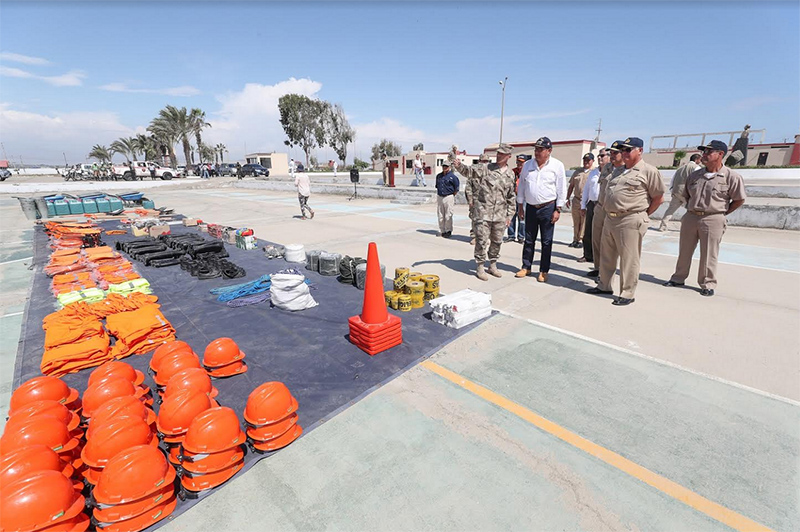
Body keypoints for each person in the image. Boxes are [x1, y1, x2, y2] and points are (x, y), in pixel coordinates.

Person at [587, 137, 665, 306]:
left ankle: (627, 293)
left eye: (629, 150)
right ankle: (604, 286)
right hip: (610, 218)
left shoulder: (648, 171)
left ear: (640, 151)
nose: (624, 153)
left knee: (629, 259)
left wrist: (642, 215)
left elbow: (658, 198)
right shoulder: (617, 170)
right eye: (623, 150)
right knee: (607, 256)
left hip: (630, 219)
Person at [664, 140, 746, 297]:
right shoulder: (695, 175)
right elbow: (687, 195)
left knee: (709, 253)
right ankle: (678, 278)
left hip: (713, 218)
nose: (705, 155)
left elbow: (739, 199)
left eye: (709, 152)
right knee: (684, 250)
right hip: (691, 217)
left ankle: (707, 283)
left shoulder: (731, 176)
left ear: (720, 154)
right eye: (704, 152)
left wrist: (722, 213)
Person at [448, 143, 516, 281]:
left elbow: (511, 196)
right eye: (498, 153)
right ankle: (480, 266)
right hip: (483, 213)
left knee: (497, 241)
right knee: (481, 241)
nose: (499, 156)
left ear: (508, 156)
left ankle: (493, 265)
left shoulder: (510, 174)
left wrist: (510, 215)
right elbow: (468, 171)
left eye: (502, 154)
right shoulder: (486, 168)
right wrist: (458, 164)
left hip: (500, 215)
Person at [515, 137, 567, 283]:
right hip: (531, 207)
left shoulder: (557, 166)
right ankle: (526, 266)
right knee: (529, 239)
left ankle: (544, 270)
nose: (537, 152)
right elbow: (522, 187)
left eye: (540, 149)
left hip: (548, 208)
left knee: (546, 241)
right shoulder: (527, 165)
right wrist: (520, 206)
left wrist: (558, 209)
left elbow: (561, 188)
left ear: (549, 151)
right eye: (536, 149)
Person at [659, 153, 702, 231]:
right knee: (691, 210)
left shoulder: (680, 168)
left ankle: (663, 226)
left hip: (676, 191)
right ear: (696, 160)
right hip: (686, 192)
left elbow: (673, 179)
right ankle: (686, 226)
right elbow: (698, 181)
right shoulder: (696, 168)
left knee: (671, 210)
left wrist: (672, 190)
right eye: (700, 160)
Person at [580, 150, 608, 265]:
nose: (600, 158)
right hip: (592, 204)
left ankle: (601, 260)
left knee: (603, 234)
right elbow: (586, 189)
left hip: (605, 205)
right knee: (588, 232)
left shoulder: (613, 172)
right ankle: (588, 255)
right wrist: (583, 205)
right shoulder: (593, 172)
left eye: (602, 155)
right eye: (599, 156)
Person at [566, 153, 595, 248]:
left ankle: (581, 240)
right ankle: (575, 239)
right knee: (576, 221)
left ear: (592, 161)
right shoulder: (577, 172)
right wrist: (567, 198)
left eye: (588, 160)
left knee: (584, 222)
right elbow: (571, 186)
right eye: (585, 160)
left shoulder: (593, 172)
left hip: (586, 201)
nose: (586, 162)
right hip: (576, 200)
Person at [435, 161, 460, 238]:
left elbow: (456, 188)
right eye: (443, 166)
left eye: (446, 166)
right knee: (440, 214)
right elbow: (437, 186)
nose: (444, 168)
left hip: (448, 196)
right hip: (440, 196)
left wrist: (451, 195)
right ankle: (442, 230)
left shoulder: (453, 177)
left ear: (449, 167)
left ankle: (448, 230)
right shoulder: (439, 176)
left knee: (448, 214)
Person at [505, 155, 527, 243]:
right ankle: (511, 235)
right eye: (518, 162)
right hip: (512, 197)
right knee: (511, 216)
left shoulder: (527, 172)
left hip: (524, 197)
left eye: (521, 162)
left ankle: (521, 236)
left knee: (522, 217)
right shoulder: (512, 172)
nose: (519, 164)